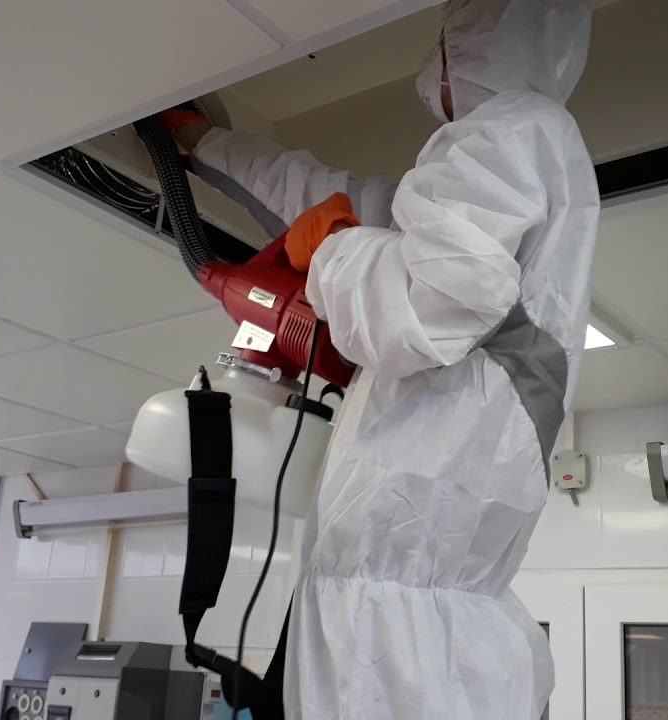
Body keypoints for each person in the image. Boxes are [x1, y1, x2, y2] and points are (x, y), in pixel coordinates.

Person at [161, 0, 597, 716]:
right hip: (412, 613)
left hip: (398, 631)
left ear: (474, 43)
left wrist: (332, 249)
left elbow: (433, 297)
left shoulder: (513, 129)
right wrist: (204, 143)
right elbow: (336, 201)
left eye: (445, 41)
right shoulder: (512, 159)